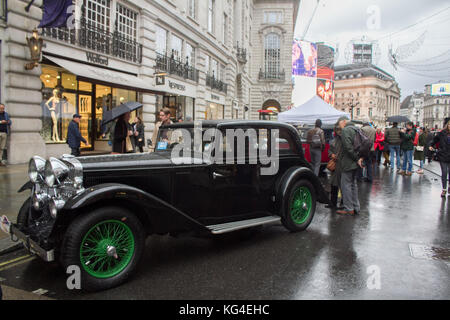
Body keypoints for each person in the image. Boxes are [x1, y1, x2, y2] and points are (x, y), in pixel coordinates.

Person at [336, 116, 364, 216]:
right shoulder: (356, 129)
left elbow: (348, 147)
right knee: (353, 185)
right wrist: (359, 159)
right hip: (356, 163)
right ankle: (356, 207)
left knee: (346, 185)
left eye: (339, 124)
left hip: (348, 162)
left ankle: (349, 208)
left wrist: (356, 158)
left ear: (343, 122)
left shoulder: (346, 130)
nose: (339, 126)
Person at [430, 119, 450, 197]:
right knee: (444, 172)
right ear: (447, 125)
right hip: (443, 155)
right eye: (449, 125)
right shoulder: (442, 133)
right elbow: (435, 139)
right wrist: (431, 145)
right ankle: (444, 189)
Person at [327, 125, 344, 210]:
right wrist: (331, 155)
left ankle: (343, 203)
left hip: (342, 166)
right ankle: (332, 203)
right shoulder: (333, 141)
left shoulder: (345, 141)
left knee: (342, 185)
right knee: (334, 185)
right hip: (335, 166)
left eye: (339, 130)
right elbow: (329, 151)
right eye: (337, 130)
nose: (338, 132)